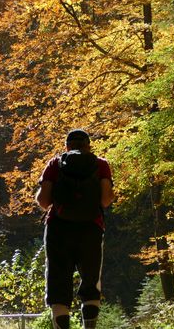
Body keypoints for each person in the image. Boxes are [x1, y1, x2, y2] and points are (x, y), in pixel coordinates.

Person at [36, 129, 115, 329]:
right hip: (91, 228)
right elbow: (105, 200)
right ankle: (89, 326)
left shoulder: (55, 164)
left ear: (67, 146)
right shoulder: (101, 164)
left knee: (58, 281)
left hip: (58, 230)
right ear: (88, 145)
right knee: (91, 280)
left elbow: (44, 201)